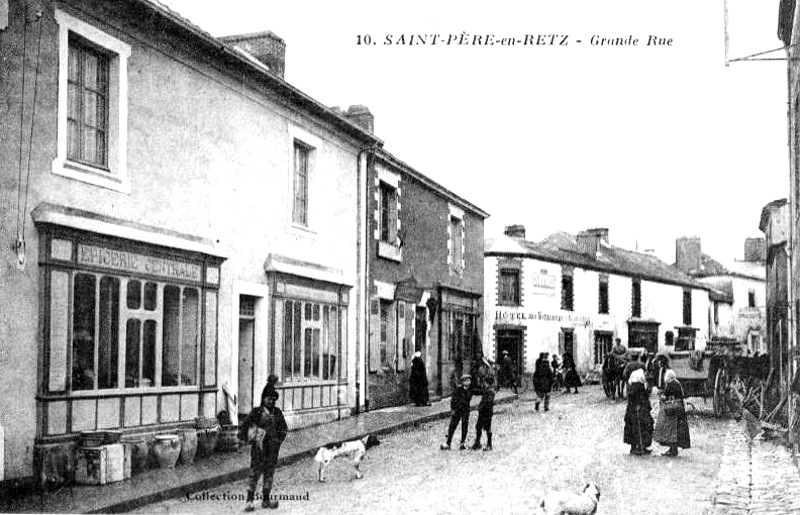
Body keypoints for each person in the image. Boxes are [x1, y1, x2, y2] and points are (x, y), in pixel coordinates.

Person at [238, 390, 288, 511]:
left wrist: (278, 441)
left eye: (273, 399)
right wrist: (248, 438)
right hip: (259, 450)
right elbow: (244, 427)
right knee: (254, 475)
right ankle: (249, 501)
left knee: (269, 475)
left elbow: (284, 428)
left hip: (272, 450)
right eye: (268, 398)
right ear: (263, 399)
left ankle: (266, 500)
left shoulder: (277, 412)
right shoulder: (257, 412)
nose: (271, 401)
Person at [653, 369, 691, 457]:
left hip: (672, 411)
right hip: (679, 409)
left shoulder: (670, 385)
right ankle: (674, 449)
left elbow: (664, 397)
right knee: (678, 431)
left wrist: (660, 396)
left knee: (671, 431)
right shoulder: (678, 383)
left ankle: (672, 450)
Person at [623, 368, 654, 456]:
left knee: (638, 427)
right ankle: (637, 448)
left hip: (637, 410)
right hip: (638, 411)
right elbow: (638, 398)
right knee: (638, 427)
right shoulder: (638, 386)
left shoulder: (634, 385)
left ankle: (640, 447)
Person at [440, 374, 473, 450]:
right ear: (462, 382)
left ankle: (462, 443)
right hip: (457, 410)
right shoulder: (458, 390)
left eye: (468, 380)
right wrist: (453, 409)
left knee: (465, 427)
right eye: (465, 380)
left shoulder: (471, 390)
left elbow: (479, 392)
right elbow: (453, 400)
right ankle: (448, 443)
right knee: (452, 426)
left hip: (465, 411)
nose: (467, 382)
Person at [470, 375, 495, 451]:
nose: (483, 384)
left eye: (484, 382)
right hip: (483, 412)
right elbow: (479, 392)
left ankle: (489, 445)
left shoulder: (490, 391)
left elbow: (488, 402)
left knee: (487, 428)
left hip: (486, 412)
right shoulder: (488, 389)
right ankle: (477, 443)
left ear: (486, 383)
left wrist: (481, 407)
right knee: (478, 427)